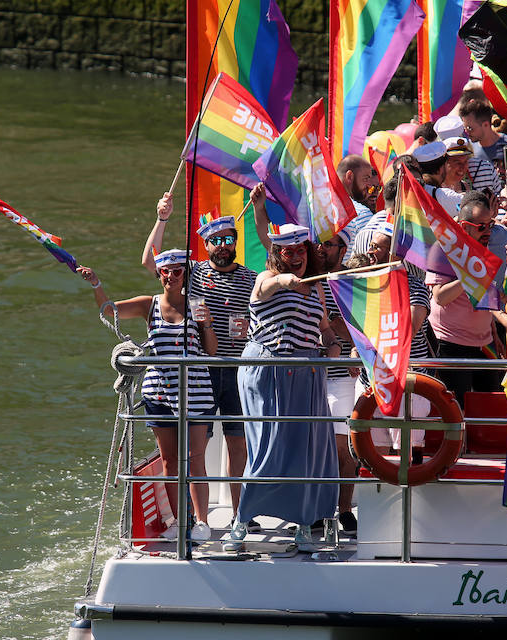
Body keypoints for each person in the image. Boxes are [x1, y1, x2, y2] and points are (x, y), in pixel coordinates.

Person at [79, 249, 218, 543]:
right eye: (165, 271)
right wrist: (96, 283)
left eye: (177, 271)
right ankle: (181, 521)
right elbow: (108, 311)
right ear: (159, 274)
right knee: (169, 460)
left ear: (186, 274)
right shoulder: (149, 304)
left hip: (197, 392)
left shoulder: (198, 305)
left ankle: (202, 521)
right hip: (159, 392)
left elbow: (212, 351)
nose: (171, 276)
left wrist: (206, 324)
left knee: (195, 460)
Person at [224, 224, 340, 552]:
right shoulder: (266, 278)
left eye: (301, 251)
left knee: (306, 449)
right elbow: (262, 292)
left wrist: (331, 346)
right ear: (277, 254)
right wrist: (281, 280)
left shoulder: (316, 287)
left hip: (307, 373)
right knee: (268, 446)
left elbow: (325, 329)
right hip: (269, 368)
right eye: (289, 252)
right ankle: (242, 521)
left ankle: (303, 525)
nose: (297, 258)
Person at [143, 193, 254, 529]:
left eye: (228, 239)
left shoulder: (250, 278)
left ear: (235, 242)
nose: (222, 245)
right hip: (201, 374)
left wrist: (250, 328)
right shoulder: (192, 273)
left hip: (236, 371)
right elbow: (152, 261)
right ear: (206, 245)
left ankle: (239, 515)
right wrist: (162, 219)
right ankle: (194, 520)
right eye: (215, 241)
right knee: (195, 452)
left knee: (238, 444)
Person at [362, 222, 433, 463]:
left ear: (395, 254)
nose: (371, 251)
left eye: (378, 247)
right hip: (372, 378)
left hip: (407, 379)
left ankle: (411, 500)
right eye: (371, 245)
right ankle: (378, 499)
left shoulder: (415, 287)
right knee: (374, 450)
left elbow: (408, 332)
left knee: (408, 451)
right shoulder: (364, 285)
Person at [426, 190, 503, 407]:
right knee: (456, 409)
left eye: (490, 223)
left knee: (488, 409)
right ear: (464, 226)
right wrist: (466, 277)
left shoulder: (485, 246)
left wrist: (493, 331)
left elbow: (484, 293)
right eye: (481, 226)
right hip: (451, 343)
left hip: (484, 343)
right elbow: (440, 297)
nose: (488, 230)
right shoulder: (443, 249)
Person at [316, 226, 360, 537]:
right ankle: (317, 511)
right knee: (315, 449)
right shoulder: (305, 280)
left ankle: (344, 510)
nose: (321, 250)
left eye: (328, 245)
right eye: (318, 244)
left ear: (342, 250)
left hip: (343, 376)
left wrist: (332, 326)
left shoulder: (352, 285)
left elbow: (361, 330)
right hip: (309, 376)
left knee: (343, 448)